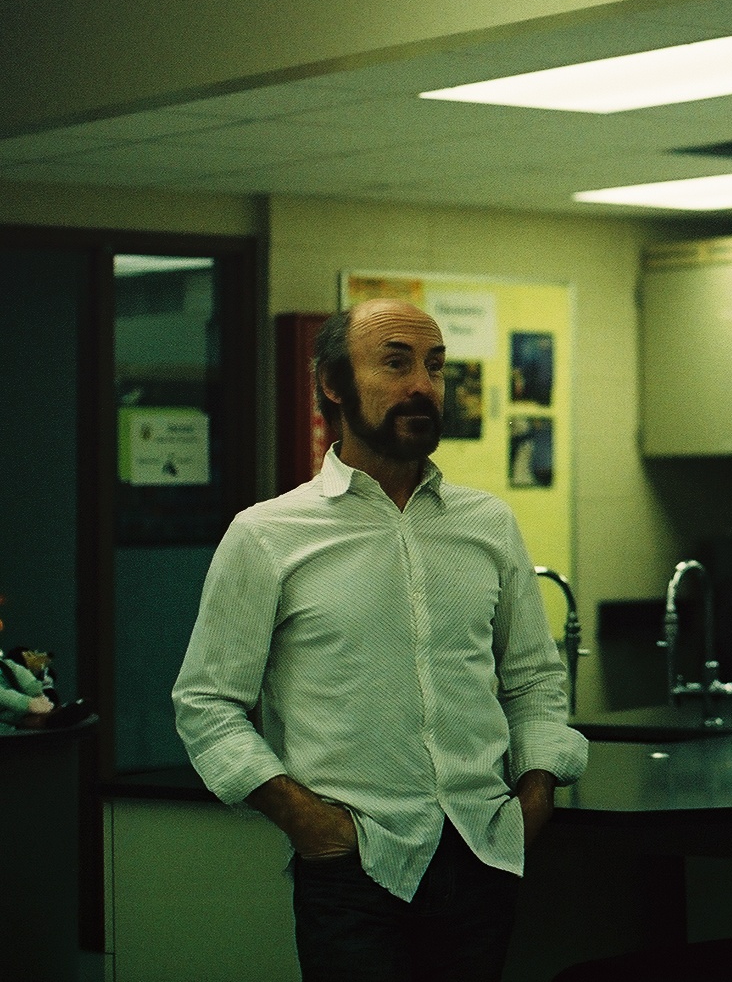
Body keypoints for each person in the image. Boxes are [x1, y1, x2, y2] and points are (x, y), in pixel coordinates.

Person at [173, 299, 587, 982]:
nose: (423, 385)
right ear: (333, 383)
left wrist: (535, 795)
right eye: (395, 363)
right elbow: (207, 704)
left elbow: (534, 680)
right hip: (354, 868)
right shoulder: (267, 535)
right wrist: (306, 821)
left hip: (481, 855)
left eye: (435, 366)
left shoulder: (487, 524)